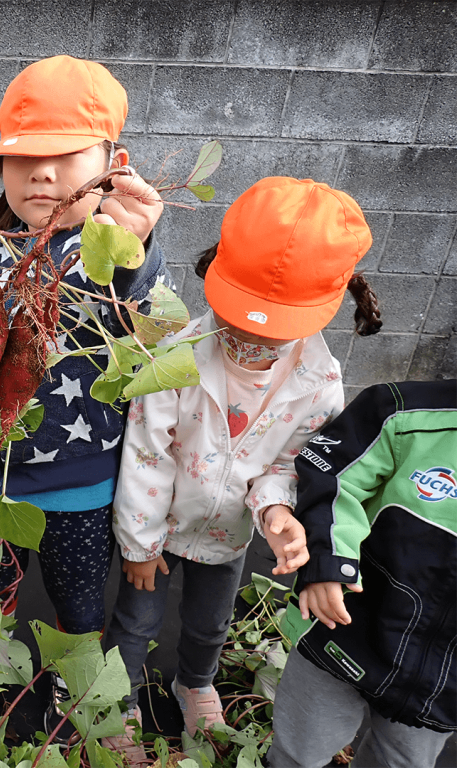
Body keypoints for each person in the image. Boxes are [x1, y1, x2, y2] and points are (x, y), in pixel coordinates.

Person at [106, 176, 383, 763]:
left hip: (230, 535)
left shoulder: (319, 383)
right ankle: (113, 702)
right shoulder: (177, 353)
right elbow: (147, 451)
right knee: (135, 621)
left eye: (273, 324)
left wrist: (278, 510)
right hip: (160, 523)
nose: (253, 333)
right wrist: (139, 544)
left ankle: (196, 683)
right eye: (243, 315)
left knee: (211, 623)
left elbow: (290, 463)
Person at [0, 55, 169, 734]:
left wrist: (138, 245)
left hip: (79, 483)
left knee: (79, 601)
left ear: (112, 164)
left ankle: (79, 689)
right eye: (22, 157)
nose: (40, 173)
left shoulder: (115, 250)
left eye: (66, 156)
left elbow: (145, 316)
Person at [267, 378, 456, 768]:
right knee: (296, 752)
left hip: (445, 682)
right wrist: (327, 564)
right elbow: (333, 476)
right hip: (345, 626)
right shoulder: (402, 411)